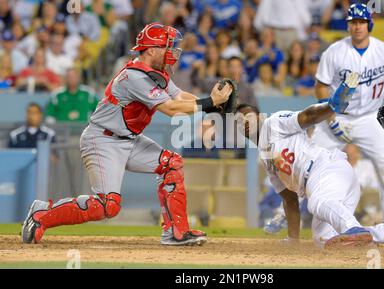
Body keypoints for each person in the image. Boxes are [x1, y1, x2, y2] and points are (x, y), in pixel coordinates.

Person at [21, 23, 233, 246]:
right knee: (107, 206)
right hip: (102, 139)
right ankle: (41, 213)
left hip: (128, 139)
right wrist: (210, 103)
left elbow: (179, 97)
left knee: (172, 164)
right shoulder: (133, 76)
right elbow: (171, 110)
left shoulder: (155, 74)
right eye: (167, 46)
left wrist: (213, 105)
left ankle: (176, 232)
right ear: (151, 50)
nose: (172, 51)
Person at [235, 95, 384, 248]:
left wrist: (331, 105)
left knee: (318, 203)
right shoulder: (265, 157)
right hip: (325, 187)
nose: (243, 120)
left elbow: (307, 117)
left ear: (259, 117)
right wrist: (294, 240)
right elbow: (290, 199)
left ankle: (352, 228)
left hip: (327, 170)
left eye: (247, 115)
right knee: (324, 241)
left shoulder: (273, 123)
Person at [312, 4, 384, 223]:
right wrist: (331, 118)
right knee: (310, 164)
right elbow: (321, 87)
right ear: (348, 25)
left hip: (370, 119)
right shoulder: (334, 51)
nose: (357, 26)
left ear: (369, 24)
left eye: (361, 22)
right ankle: (285, 215)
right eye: (353, 22)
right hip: (338, 115)